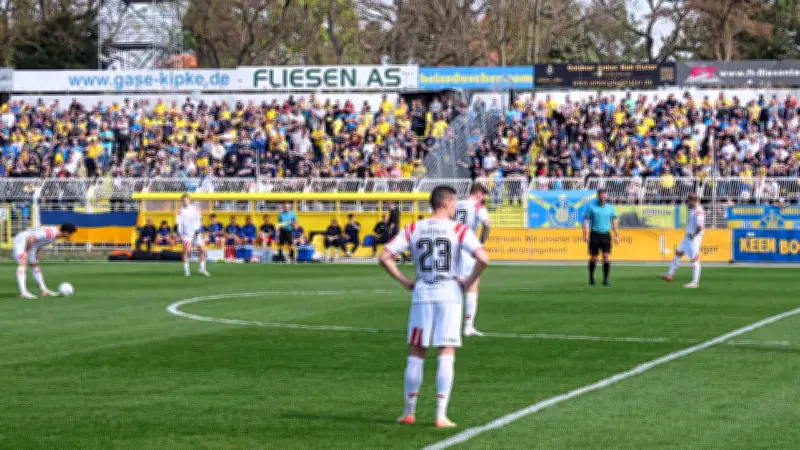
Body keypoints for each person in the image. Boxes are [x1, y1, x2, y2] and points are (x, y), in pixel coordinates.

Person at [379, 185, 489, 428]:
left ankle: (409, 411)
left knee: (416, 352)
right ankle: (440, 415)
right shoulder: (459, 229)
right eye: (455, 203)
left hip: (422, 292)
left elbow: (384, 256)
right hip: (449, 292)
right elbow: (483, 258)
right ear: (447, 203)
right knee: (446, 352)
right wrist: (470, 281)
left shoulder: (414, 227)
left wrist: (405, 281)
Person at [455, 183, 492, 336]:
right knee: (473, 284)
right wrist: (480, 244)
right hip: (467, 248)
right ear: (478, 193)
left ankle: (446, 323)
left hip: (452, 247)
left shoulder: (456, 204)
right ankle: (468, 326)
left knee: (453, 285)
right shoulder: (478, 207)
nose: (483, 198)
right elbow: (487, 225)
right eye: (483, 195)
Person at [14, 222, 78, 298]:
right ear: (67, 233)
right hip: (23, 240)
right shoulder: (50, 233)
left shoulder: (54, 236)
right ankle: (23, 292)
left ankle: (44, 290)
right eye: (71, 233)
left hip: (32, 243)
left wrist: (36, 254)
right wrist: (26, 252)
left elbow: (39, 242)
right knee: (23, 262)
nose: (71, 235)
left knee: (35, 264)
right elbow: (31, 238)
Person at [660, 194, 704, 288]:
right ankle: (670, 275)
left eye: (688, 201)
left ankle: (695, 282)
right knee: (678, 253)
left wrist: (694, 234)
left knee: (694, 260)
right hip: (687, 237)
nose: (687, 203)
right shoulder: (693, 210)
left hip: (693, 239)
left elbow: (700, 226)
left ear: (693, 201)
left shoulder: (698, 212)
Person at [583, 188, 619, 286]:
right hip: (594, 234)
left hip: (606, 235)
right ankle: (591, 277)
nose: (603, 197)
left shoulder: (610, 208)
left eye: (605, 195)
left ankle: (606, 279)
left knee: (606, 257)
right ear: (598, 196)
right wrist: (585, 234)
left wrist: (616, 235)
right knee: (594, 257)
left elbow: (614, 222)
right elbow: (586, 221)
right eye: (601, 195)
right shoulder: (591, 207)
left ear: (606, 196)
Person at [177, 193, 209, 277]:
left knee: (202, 250)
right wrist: (181, 235)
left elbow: (199, 219)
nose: (185, 201)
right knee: (186, 252)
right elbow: (179, 224)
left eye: (186, 199)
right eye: (183, 200)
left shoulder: (195, 208)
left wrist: (199, 229)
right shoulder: (180, 211)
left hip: (197, 233)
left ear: (189, 200)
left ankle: (202, 269)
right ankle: (187, 271)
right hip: (187, 235)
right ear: (182, 201)